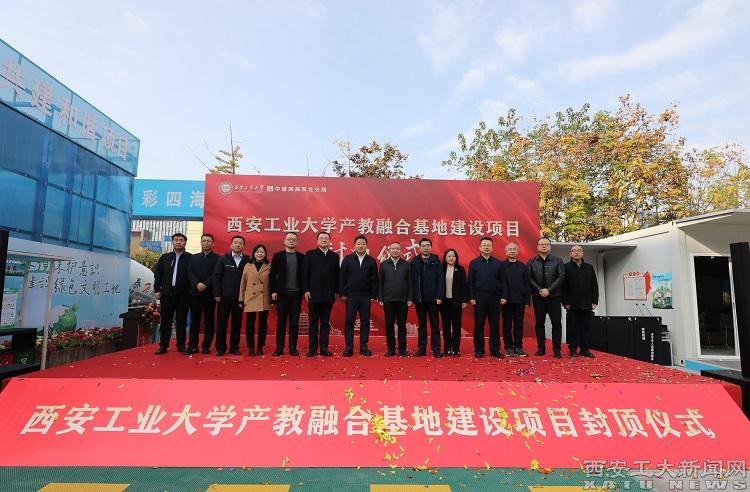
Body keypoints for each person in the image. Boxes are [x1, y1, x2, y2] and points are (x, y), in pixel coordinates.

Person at [339, 235, 378, 357]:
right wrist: (342, 293)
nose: (361, 246)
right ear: (354, 245)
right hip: (351, 296)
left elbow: (375, 280)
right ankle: (349, 347)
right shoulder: (347, 259)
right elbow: (342, 277)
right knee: (349, 321)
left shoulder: (371, 261)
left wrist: (374, 295)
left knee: (365, 322)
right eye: (358, 244)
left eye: (363, 244)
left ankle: (363, 346)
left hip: (366, 296)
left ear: (366, 246)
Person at [302, 231, 340, 357]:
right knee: (313, 322)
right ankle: (312, 348)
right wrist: (306, 290)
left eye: (326, 238)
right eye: (321, 238)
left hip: (329, 295)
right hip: (313, 294)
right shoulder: (310, 254)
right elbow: (305, 274)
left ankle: (324, 348)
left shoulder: (334, 256)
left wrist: (337, 291)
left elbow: (337, 275)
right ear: (317, 241)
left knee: (325, 322)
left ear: (329, 241)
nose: (324, 240)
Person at [153, 233, 192, 354]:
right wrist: (157, 290)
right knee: (166, 321)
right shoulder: (165, 257)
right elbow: (158, 275)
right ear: (172, 242)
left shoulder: (191, 258)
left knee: (181, 321)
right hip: (167, 294)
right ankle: (163, 345)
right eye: (176, 240)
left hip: (183, 295)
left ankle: (181, 345)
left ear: (185, 242)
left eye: (181, 240)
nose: (178, 242)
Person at [528, 236, 565, 358]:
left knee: (556, 323)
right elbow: (529, 278)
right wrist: (539, 289)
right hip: (538, 297)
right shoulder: (532, 261)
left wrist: (549, 290)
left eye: (546, 244)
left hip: (554, 297)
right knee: (539, 323)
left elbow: (561, 277)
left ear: (550, 246)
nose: (544, 246)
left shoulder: (558, 260)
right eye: (541, 244)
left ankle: (557, 349)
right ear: (537, 247)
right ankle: (541, 348)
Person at [468, 237, 505, 358]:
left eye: (489, 245)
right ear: (480, 247)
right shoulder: (474, 263)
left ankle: (495, 350)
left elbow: (503, 281)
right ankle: (479, 349)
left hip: (495, 298)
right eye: (484, 245)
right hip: (479, 298)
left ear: (492, 248)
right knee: (479, 325)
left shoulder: (498, 264)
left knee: (494, 325)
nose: (486, 247)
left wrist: (504, 296)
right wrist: (471, 296)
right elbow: (470, 282)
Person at [269, 232, 305, 356]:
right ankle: (279, 347)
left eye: (293, 239)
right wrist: (273, 291)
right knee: (281, 322)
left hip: (296, 295)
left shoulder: (301, 257)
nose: (291, 241)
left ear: (297, 242)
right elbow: (272, 275)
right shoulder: (278, 256)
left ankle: (293, 347)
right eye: (289, 239)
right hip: (282, 294)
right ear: (284, 241)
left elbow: (304, 276)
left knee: (294, 322)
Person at [213, 235, 249, 356]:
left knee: (237, 323)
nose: (238, 245)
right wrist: (217, 293)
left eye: (240, 243)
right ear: (231, 245)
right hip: (224, 297)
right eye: (236, 243)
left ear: (243, 246)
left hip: (239, 298)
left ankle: (234, 347)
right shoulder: (223, 259)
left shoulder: (247, 260)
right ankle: (221, 348)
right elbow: (216, 277)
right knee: (222, 323)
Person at [410, 238, 445, 358]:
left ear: (431, 247)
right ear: (420, 248)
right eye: (423, 246)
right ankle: (421, 349)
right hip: (420, 299)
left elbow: (441, 280)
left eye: (428, 245)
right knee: (422, 325)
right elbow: (411, 281)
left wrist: (439, 296)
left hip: (434, 299)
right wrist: (412, 297)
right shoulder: (414, 262)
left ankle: (436, 349)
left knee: (435, 325)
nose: (425, 248)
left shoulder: (436, 261)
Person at [562, 245, 598, 358]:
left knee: (586, 327)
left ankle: (585, 349)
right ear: (570, 254)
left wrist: (594, 301)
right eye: (574, 251)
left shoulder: (589, 267)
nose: (576, 253)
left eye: (579, 251)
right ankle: (573, 349)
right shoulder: (565, 267)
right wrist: (565, 302)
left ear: (582, 253)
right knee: (573, 327)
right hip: (572, 303)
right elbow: (563, 287)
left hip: (587, 302)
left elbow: (594, 285)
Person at [186, 233, 219, 354]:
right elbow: (189, 272)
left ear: (213, 243)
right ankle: (192, 346)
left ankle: (206, 346)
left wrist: (205, 284)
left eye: (208, 241)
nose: (206, 243)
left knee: (209, 320)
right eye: (204, 240)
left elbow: (216, 274)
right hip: (194, 293)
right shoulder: (193, 257)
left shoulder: (218, 258)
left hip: (209, 294)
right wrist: (196, 283)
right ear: (200, 242)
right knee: (194, 320)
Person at [378, 241, 412, 357]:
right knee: (389, 325)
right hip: (388, 299)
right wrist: (380, 297)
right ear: (389, 250)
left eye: (397, 248)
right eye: (393, 248)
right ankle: (391, 348)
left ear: (401, 250)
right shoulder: (384, 264)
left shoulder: (407, 265)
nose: (395, 250)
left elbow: (410, 282)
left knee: (402, 325)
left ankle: (402, 349)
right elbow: (380, 282)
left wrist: (410, 298)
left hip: (403, 300)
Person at [239, 244, 272, 356]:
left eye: (262, 252)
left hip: (264, 297)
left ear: (265, 254)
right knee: (250, 324)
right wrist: (241, 299)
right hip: (250, 297)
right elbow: (243, 283)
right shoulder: (248, 266)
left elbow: (273, 282)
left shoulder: (269, 266)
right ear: (254, 254)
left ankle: (260, 346)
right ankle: (251, 347)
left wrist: (273, 298)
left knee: (263, 324)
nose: (259, 254)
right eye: (257, 252)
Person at [500, 242, 530, 357]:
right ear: (505, 252)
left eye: (514, 249)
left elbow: (527, 284)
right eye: (510, 249)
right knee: (507, 325)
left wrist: (527, 300)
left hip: (520, 300)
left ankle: (518, 347)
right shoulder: (501, 266)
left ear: (517, 252)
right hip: (506, 301)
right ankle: (508, 347)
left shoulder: (523, 266)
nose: (512, 251)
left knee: (519, 325)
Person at [440, 248, 467, 357]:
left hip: (457, 301)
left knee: (456, 326)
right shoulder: (441, 268)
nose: (451, 258)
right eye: (449, 256)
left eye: (453, 256)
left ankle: (455, 349)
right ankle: (447, 348)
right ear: (445, 258)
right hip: (444, 302)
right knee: (446, 326)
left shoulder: (460, 269)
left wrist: (464, 300)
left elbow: (464, 286)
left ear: (456, 258)